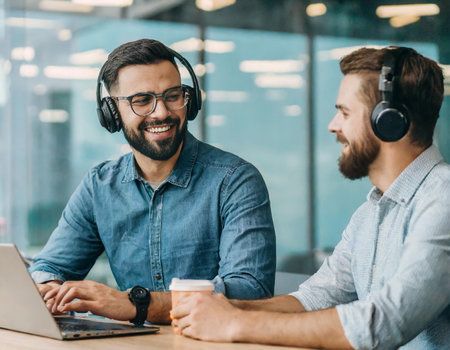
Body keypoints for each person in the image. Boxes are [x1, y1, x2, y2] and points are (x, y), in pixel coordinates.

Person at [171, 46, 450, 349]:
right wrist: (224, 310)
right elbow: (314, 299)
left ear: (389, 121)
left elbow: (382, 323)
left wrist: (235, 323)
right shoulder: (369, 215)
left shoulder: (443, 198)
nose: (334, 125)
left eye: (344, 112)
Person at [29, 38, 276, 325]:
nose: (161, 112)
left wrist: (136, 304)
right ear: (112, 113)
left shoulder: (234, 181)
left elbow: (250, 291)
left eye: (173, 95)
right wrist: (48, 289)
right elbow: (51, 266)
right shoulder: (99, 186)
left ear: (190, 100)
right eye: (142, 100)